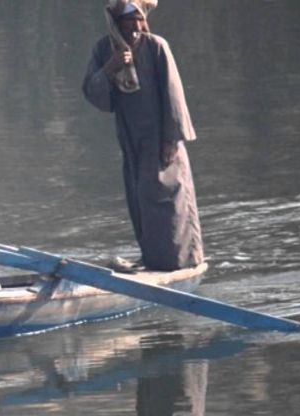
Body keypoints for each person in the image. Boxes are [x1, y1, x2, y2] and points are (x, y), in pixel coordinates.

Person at [83, 0, 204, 272]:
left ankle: (181, 262)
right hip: (131, 139)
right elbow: (94, 93)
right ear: (117, 21)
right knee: (140, 198)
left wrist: (172, 139)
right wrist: (110, 68)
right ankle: (152, 259)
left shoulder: (156, 46)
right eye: (129, 21)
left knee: (169, 200)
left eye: (140, 20)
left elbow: (174, 95)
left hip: (161, 138)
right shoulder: (104, 50)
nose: (136, 26)